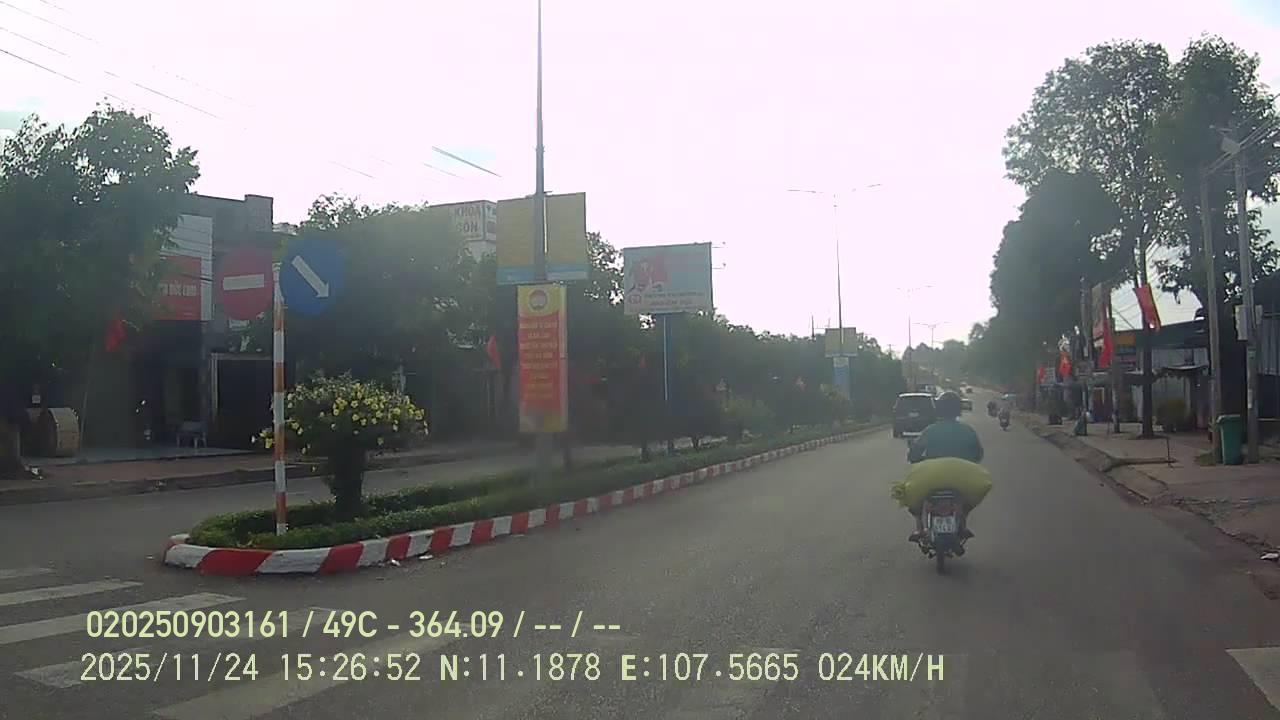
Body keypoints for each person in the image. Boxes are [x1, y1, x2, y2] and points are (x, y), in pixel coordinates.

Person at [906, 391, 983, 542]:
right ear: (958, 410)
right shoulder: (968, 431)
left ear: (939, 409)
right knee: (968, 499)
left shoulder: (930, 430)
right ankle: (963, 525)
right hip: (960, 478)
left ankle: (919, 528)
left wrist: (915, 457)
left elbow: (915, 452)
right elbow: (978, 454)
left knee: (913, 497)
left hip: (932, 477)